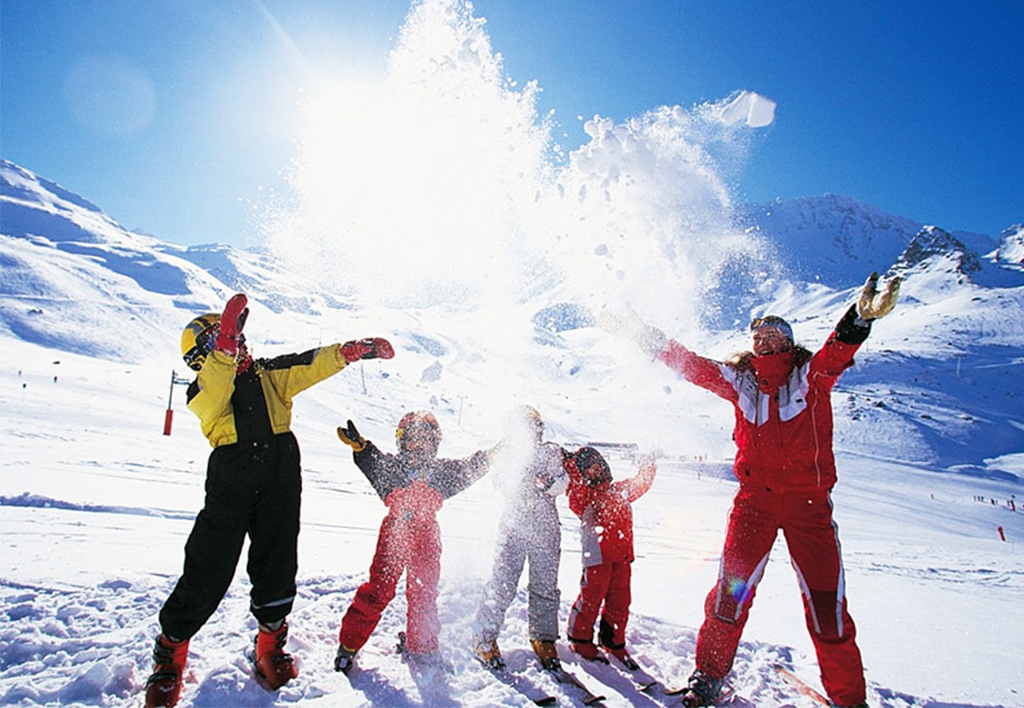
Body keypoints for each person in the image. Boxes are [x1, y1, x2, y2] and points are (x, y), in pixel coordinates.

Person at [607, 272, 900, 708]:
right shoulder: (741, 383)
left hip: (809, 510)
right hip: (754, 507)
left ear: (788, 342)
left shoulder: (810, 378)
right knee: (729, 595)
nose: (763, 341)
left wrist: (860, 317)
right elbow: (689, 364)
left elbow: (836, 354)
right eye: (758, 335)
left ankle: (849, 698)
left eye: (774, 334)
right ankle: (708, 675)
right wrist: (640, 334)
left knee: (827, 609)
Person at [144, 293, 393, 708]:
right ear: (197, 359)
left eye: (235, 336)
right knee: (209, 563)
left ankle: (270, 643)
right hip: (232, 475)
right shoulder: (202, 391)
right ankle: (170, 654)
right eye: (218, 341)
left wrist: (349, 353)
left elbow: (308, 364)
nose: (234, 344)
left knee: (278, 559)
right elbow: (217, 390)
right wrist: (222, 350)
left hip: (280, 470)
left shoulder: (268, 374)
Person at [333, 411, 492, 673]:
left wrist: (493, 455)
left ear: (434, 444)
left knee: (423, 592)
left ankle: (423, 646)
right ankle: (348, 646)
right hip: (396, 532)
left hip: (428, 535)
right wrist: (361, 447)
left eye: (425, 441)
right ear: (402, 443)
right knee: (379, 590)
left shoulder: (440, 471)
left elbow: (468, 468)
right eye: (412, 441)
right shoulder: (393, 468)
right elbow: (374, 462)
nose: (418, 447)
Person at [473, 405, 569, 672]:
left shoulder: (551, 451)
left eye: (532, 426)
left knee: (545, 585)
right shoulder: (508, 452)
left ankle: (543, 637)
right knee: (503, 582)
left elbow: (564, 483)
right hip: (515, 524)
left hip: (546, 528)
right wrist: (520, 480)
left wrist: (545, 482)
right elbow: (500, 482)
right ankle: (483, 635)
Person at [564, 445, 657, 668]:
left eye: (598, 467)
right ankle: (579, 638)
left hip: (622, 557)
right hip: (597, 555)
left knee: (620, 601)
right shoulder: (584, 496)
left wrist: (649, 464)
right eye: (589, 470)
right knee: (592, 596)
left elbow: (641, 484)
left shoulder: (618, 491)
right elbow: (575, 499)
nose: (595, 472)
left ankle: (613, 641)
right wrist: (574, 468)